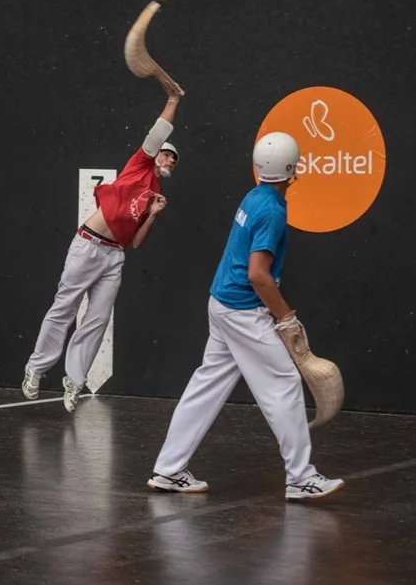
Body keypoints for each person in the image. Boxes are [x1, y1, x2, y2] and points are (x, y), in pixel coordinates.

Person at [146, 131, 345, 500]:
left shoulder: (254, 197)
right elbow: (258, 274)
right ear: (292, 169)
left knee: (207, 386)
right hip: (242, 310)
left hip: (221, 303)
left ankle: (169, 470)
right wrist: (287, 318)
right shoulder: (272, 211)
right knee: (284, 383)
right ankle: (301, 478)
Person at [22, 90, 182, 412]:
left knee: (97, 319)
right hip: (89, 244)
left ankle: (75, 380)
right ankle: (36, 368)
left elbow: (137, 242)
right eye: (166, 155)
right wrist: (173, 102)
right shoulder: (139, 165)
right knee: (65, 308)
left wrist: (152, 215)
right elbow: (158, 132)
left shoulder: (156, 194)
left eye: (173, 160)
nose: (168, 161)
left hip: (114, 257)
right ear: (155, 155)